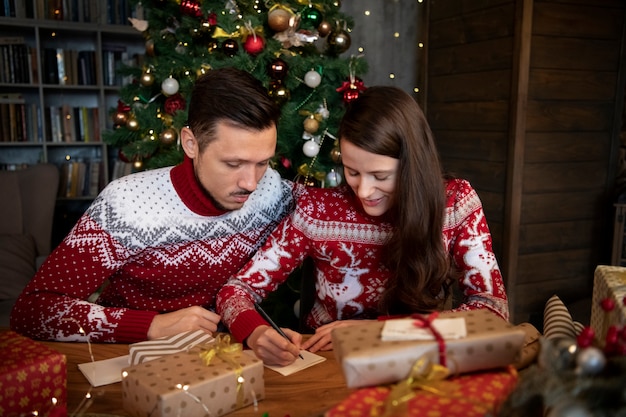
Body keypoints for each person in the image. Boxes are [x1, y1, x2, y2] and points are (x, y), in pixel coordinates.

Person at [216, 85, 509, 366]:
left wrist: (373, 332)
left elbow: (492, 312)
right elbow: (235, 291)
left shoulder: (456, 204)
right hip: (329, 362)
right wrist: (256, 332)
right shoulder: (318, 210)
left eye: (380, 176)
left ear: (413, 166)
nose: (364, 191)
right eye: (352, 171)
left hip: (419, 360)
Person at [10, 67, 297, 343]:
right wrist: (150, 325)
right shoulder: (126, 204)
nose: (251, 182)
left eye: (262, 163)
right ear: (191, 144)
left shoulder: (271, 190)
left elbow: (333, 212)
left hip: (220, 360)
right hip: (128, 358)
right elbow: (33, 311)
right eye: (233, 164)